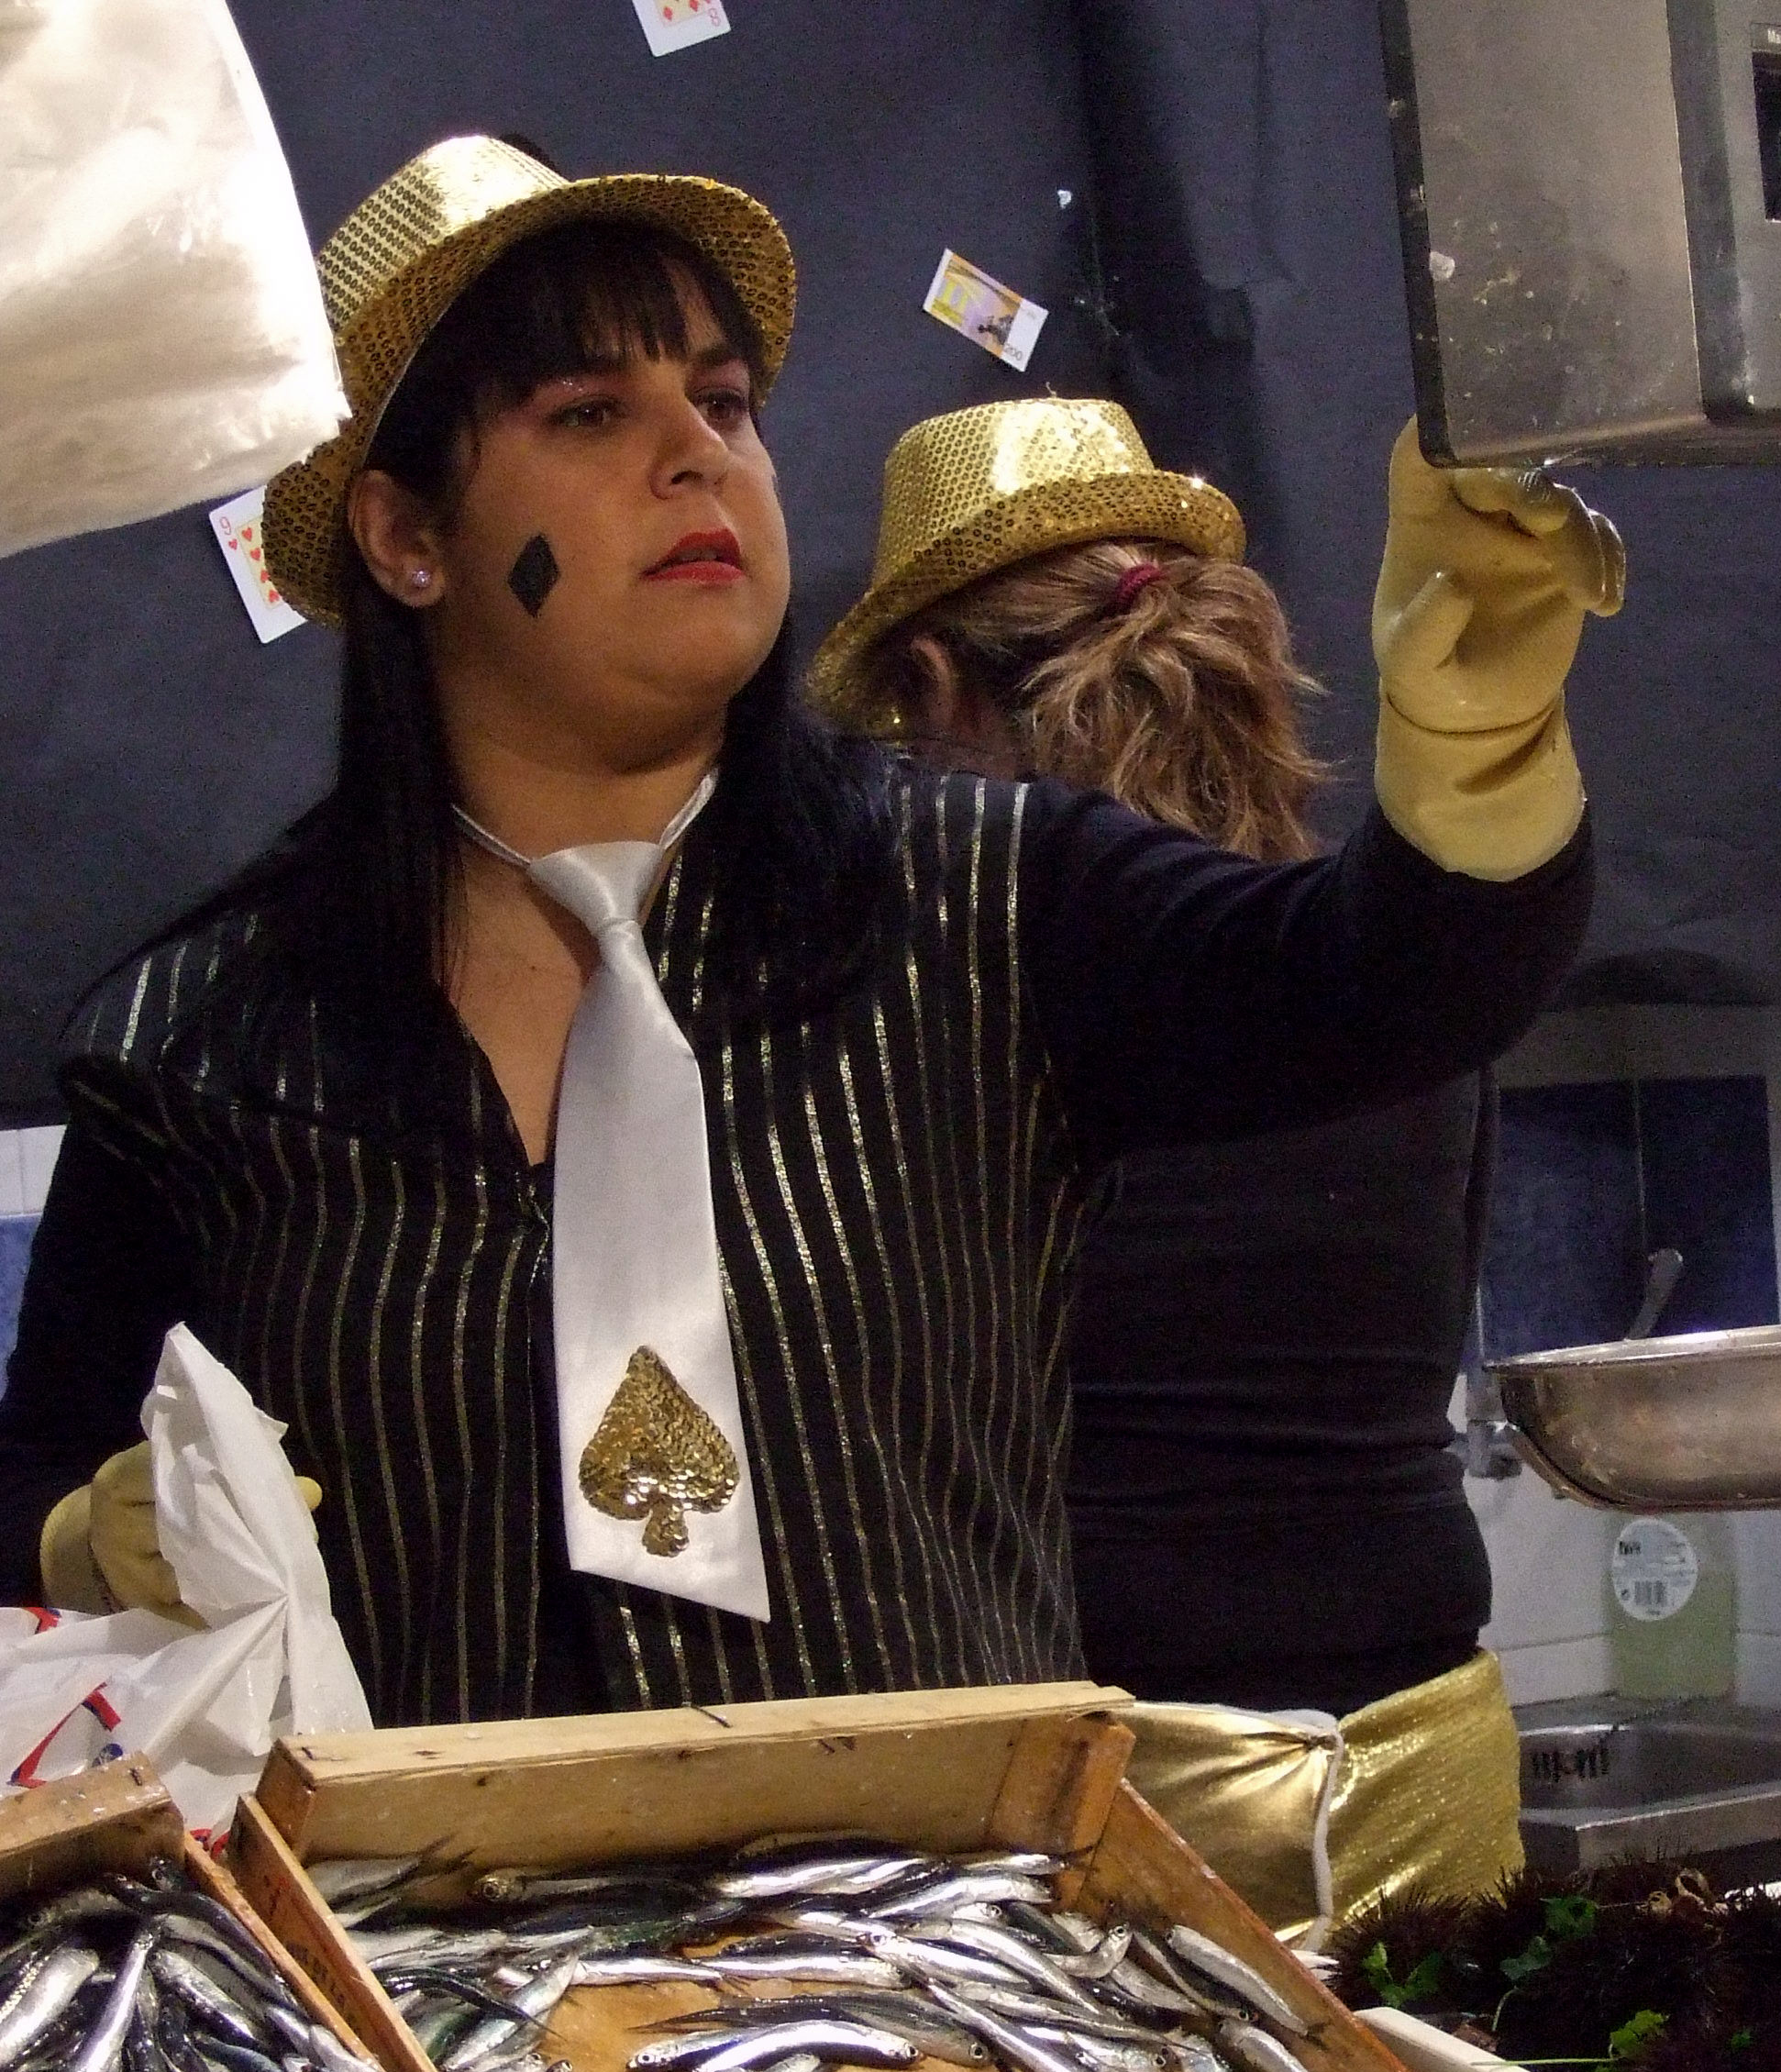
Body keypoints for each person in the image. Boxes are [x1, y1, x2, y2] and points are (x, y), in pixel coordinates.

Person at [0, 137, 1615, 1733]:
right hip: (429, 1900)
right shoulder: (204, 1039)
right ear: (406, 537)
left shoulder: (989, 901)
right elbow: (28, 1478)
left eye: (724, 402)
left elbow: (1391, 983)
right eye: (588, 413)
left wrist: (1472, 751)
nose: (696, 457)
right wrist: (88, 1530)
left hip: (942, 1894)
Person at [810, 398, 1580, 1918]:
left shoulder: (952, 1011)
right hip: (1424, 1752)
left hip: (1102, 1789)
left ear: (932, 688)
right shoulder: (1370, 974)